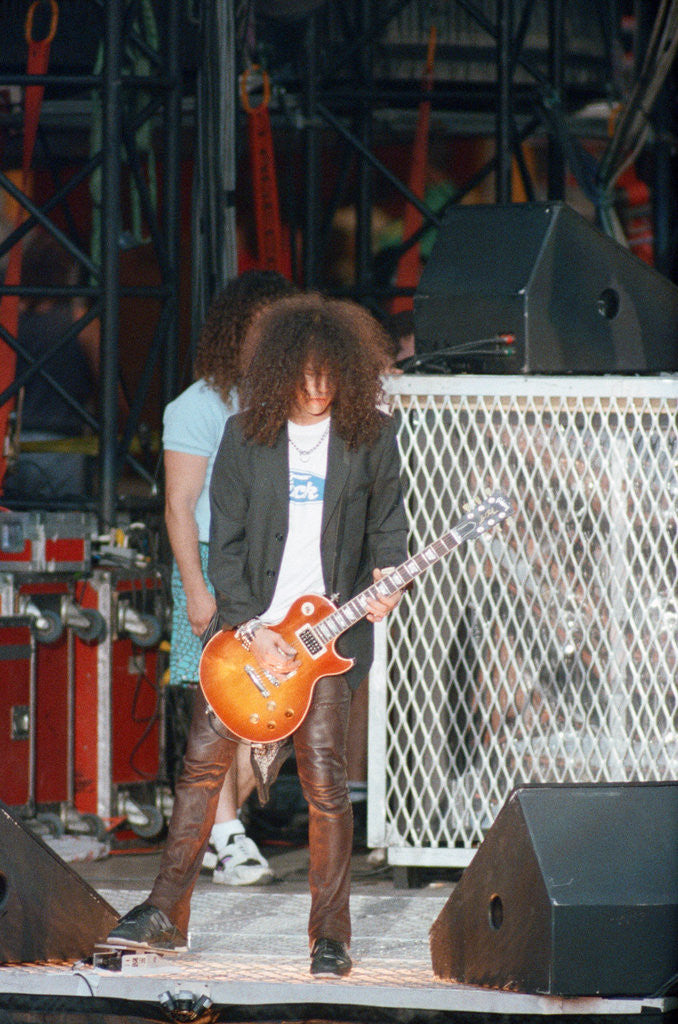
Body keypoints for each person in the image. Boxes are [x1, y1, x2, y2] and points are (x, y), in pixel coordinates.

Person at [106, 292, 409, 977]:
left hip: (328, 642)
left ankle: (329, 936)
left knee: (325, 784)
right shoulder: (244, 436)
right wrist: (245, 626)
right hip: (249, 636)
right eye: (303, 376)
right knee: (201, 769)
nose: (317, 389)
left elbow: (389, 525)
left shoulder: (373, 435)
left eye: (329, 376)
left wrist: (391, 580)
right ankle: (163, 913)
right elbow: (231, 546)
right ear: (277, 372)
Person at [163, 269, 297, 885]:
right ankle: (226, 836)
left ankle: (213, 831)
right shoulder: (196, 406)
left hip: (275, 569)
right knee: (218, 711)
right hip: (216, 565)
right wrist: (195, 588)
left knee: (275, 713)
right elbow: (179, 505)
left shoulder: (286, 399)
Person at [2, 232, 98, 500]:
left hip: (11, 443)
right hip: (64, 447)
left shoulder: (8, 321)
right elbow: (110, 387)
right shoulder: (80, 322)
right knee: (64, 530)